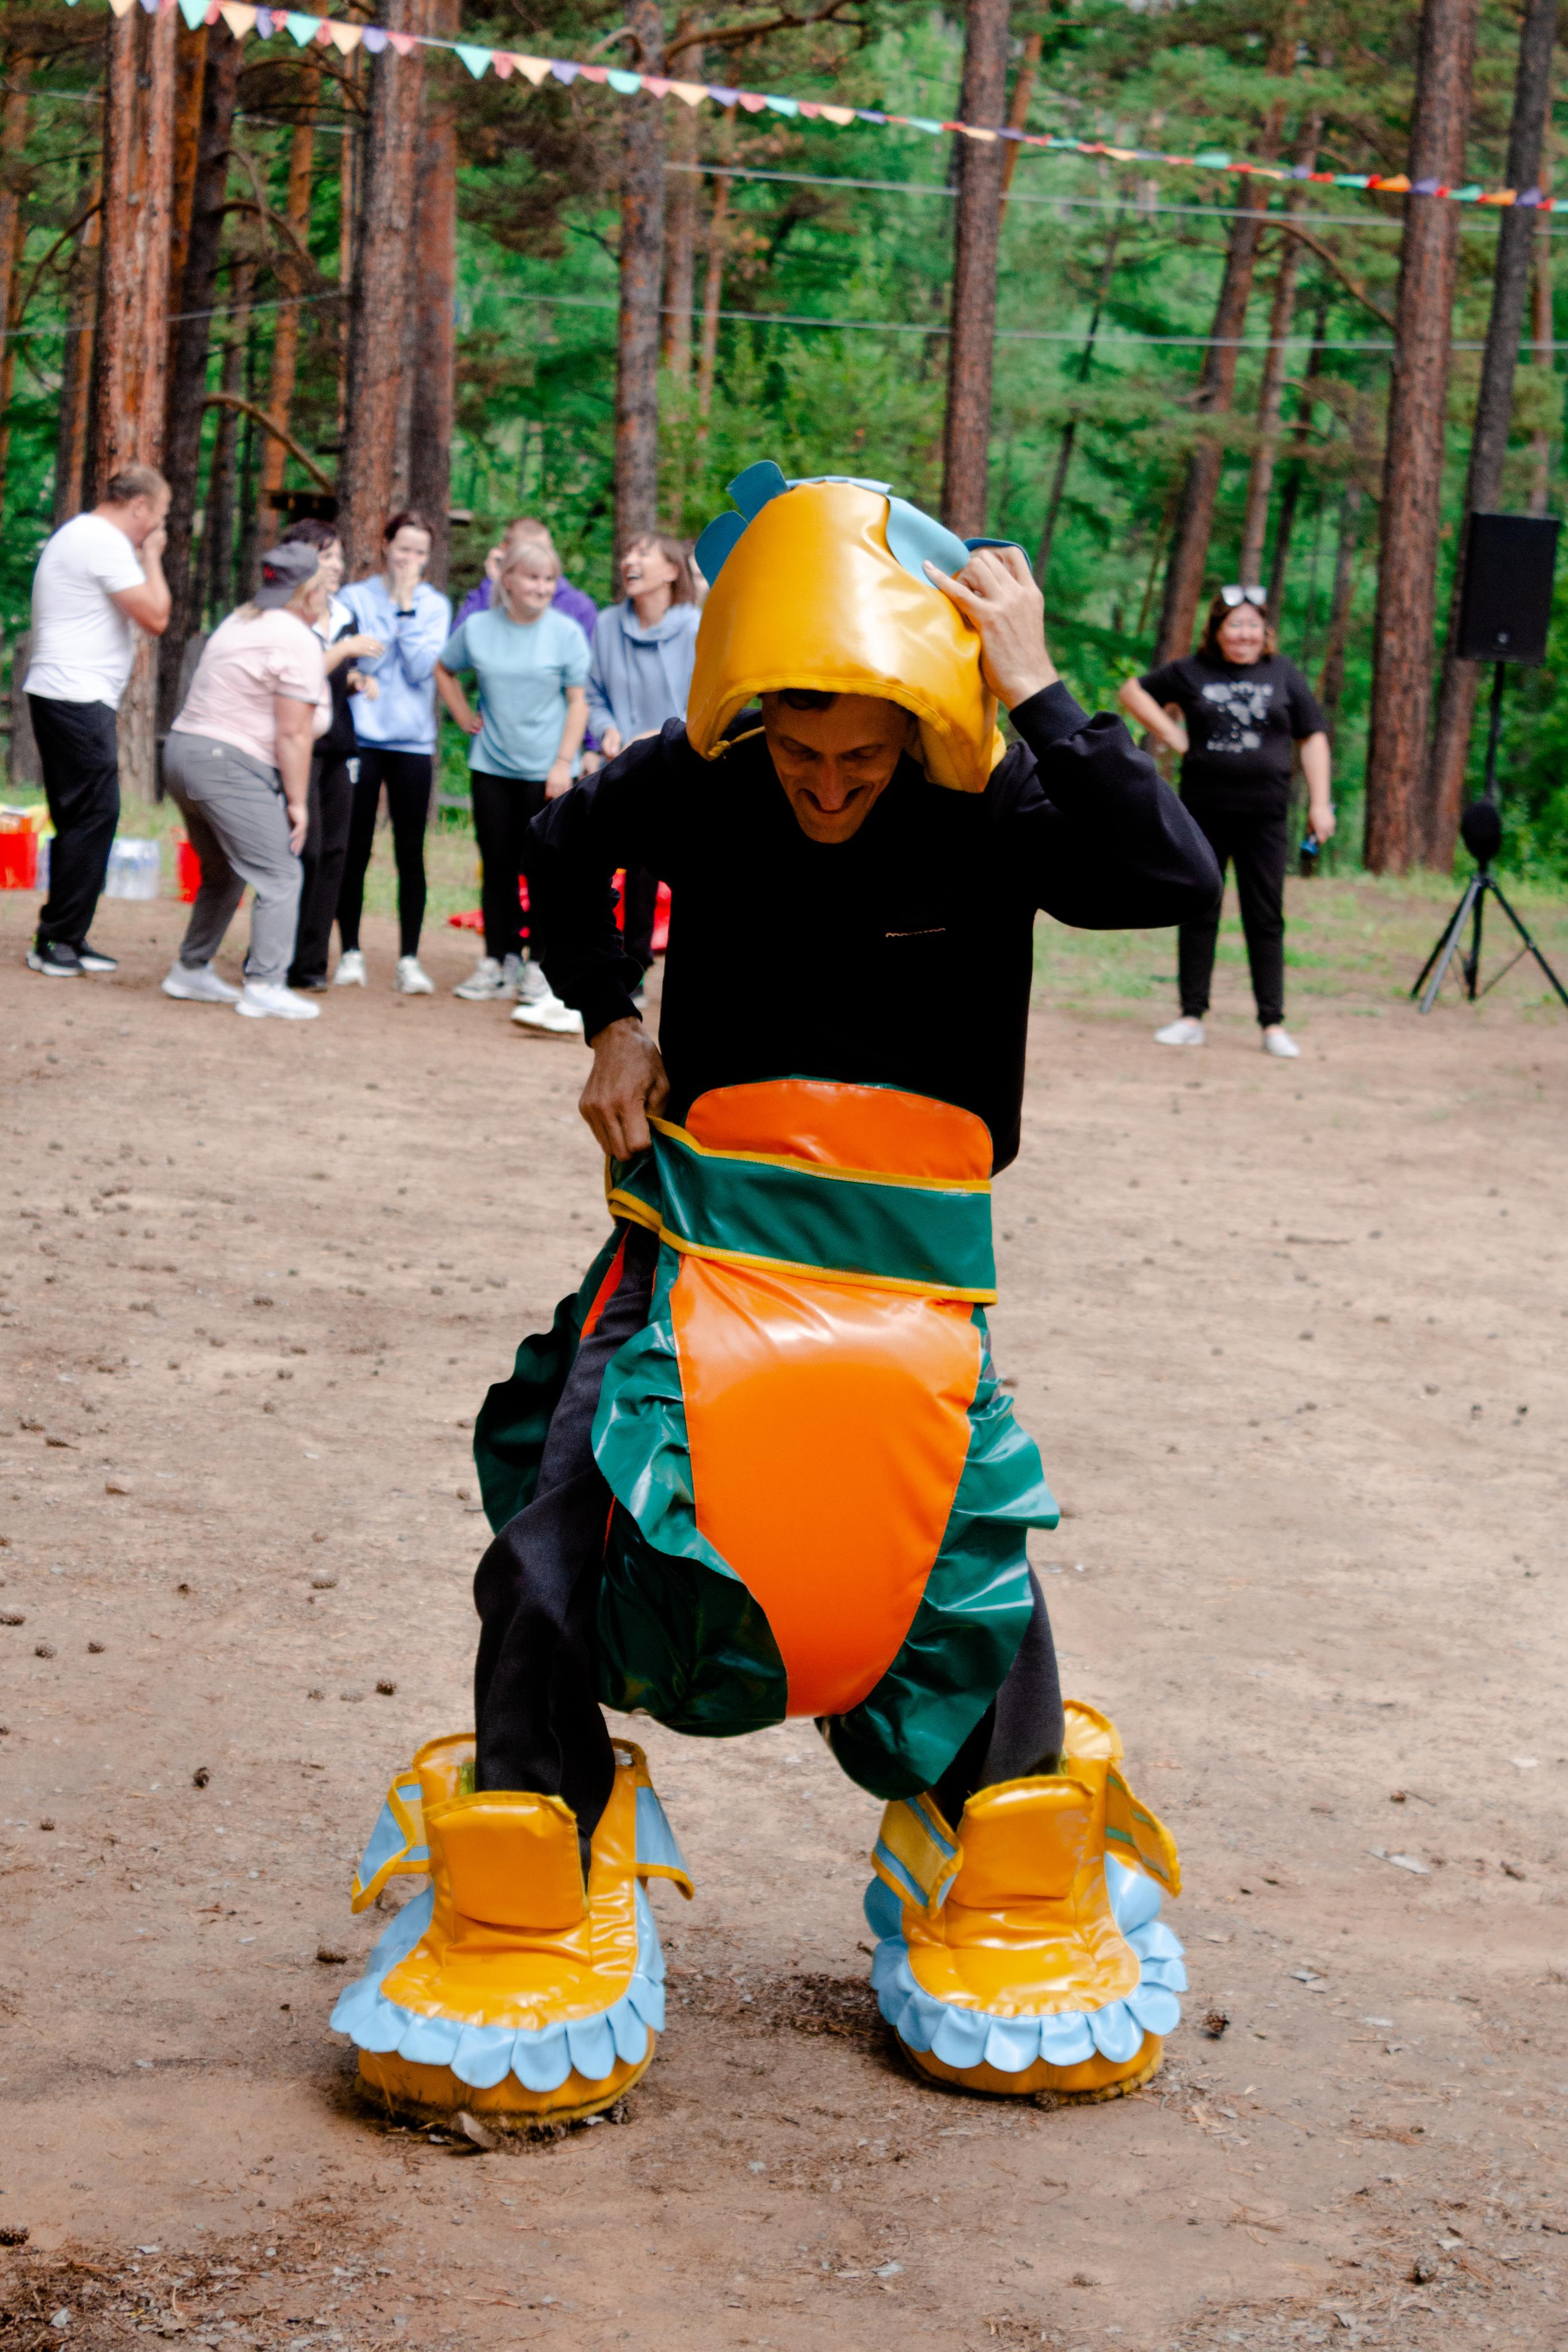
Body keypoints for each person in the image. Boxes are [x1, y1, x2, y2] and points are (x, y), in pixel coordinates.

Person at [328, 467, 1217, 2128]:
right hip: (710, 1224)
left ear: (917, 735)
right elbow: (561, 846)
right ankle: (538, 1832)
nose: (824, 789)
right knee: (572, 1501)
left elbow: (1171, 881)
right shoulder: (711, 774)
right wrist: (607, 1011)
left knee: (960, 1543)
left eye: (858, 763)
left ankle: (1004, 1842)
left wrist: (1034, 680)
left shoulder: (998, 792)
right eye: (800, 758)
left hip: (910, 1254)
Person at [1119, 586, 1334, 1059]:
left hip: (1266, 818)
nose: (1245, 634)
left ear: (1265, 631)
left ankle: (1272, 1024)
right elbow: (1133, 691)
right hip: (1203, 812)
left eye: (1253, 625)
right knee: (1199, 908)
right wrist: (1173, 734)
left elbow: (1313, 737)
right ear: (1217, 632)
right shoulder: (1191, 671)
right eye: (1234, 625)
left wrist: (1321, 804)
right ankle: (1191, 1016)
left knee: (1266, 916)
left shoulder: (1283, 674)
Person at [160, 541, 330, 1022]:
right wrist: (297, 803)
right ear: (308, 591)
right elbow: (293, 732)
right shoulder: (295, 637)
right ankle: (265, 985)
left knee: (226, 870)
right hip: (226, 763)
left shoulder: (242, 619)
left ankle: (190, 969)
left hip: (182, 753)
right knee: (280, 874)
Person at [21, 462, 172, 978]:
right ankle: (56, 939)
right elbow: (156, 616)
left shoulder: (81, 535)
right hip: (74, 695)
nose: (158, 527)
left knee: (85, 816)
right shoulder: (105, 541)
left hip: (66, 693)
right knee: (93, 815)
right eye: (161, 515)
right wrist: (152, 558)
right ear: (140, 507)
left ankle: (68, 934)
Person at [434, 539, 589, 1017]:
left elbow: (579, 702)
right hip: (491, 767)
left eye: (549, 580)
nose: (542, 588)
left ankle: (538, 966)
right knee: (497, 867)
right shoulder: (478, 628)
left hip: (547, 772)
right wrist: (462, 714)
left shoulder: (567, 633)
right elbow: (443, 668)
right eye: (533, 578)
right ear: (509, 581)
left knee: (542, 871)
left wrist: (563, 763)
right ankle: (496, 961)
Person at [334, 511, 451, 995]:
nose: (410, 560)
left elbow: (424, 670)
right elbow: (354, 661)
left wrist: (405, 612)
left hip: (412, 742)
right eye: (403, 549)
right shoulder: (355, 598)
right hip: (363, 737)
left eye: (420, 553)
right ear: (385, 546)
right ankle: (350, 952)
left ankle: (409, 958)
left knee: (410, 851)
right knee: (355, 846)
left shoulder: (435, 605)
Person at [581, 532, 700, 1008]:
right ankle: (606, 968)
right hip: (619, 765)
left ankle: (656, 969)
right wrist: (607, 729)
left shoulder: (697, 626)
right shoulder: (607, 625)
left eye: (643, 554)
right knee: (604, 864)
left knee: (670, 870)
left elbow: (710, 702)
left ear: (673, 571)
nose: (629, 560)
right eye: (627, 552)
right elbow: (592, 693)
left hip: (679, 764)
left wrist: (655, 738)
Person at [277, 518, 383, 992]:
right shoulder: (283, 615)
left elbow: (334, 680)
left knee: (336, 855)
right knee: (307, 851)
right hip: (300, 749)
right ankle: (279, 956)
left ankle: (312, 966)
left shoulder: (343, 616)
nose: (338, 566)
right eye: (327, 556)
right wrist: (343, 652)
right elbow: (299, 676)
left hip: (341, 748)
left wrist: (359, 680)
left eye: (339, 556)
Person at [454, 516, 598, 643]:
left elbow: (588, 668)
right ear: (506, 552)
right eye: (530, 553)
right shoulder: (488, 593)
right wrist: (494, 584)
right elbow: (457, 643)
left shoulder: (578, 606)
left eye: (546, 551)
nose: (540, 560)